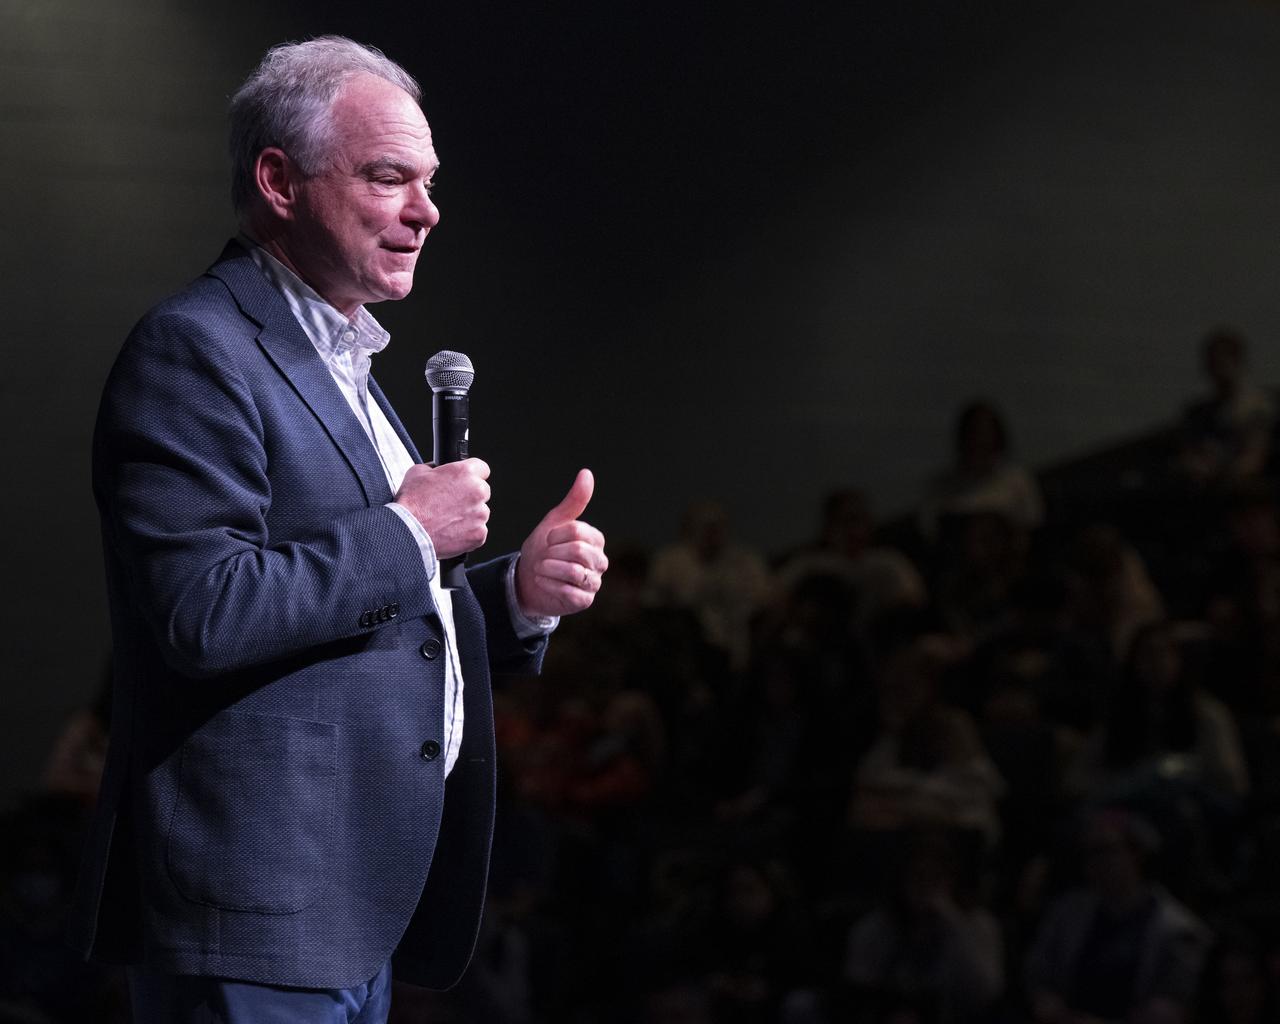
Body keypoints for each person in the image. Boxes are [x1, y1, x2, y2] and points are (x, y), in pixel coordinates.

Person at [68, 36, 607, 1024]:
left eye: (429, 181)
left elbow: (373, 624)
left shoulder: (341, 364)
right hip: (253, 915)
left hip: (348, 913)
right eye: (388, 176)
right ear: (278, 180)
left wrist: (514, 594)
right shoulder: (197, 348)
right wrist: (408, 532)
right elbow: (200, 610)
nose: (426, 210)